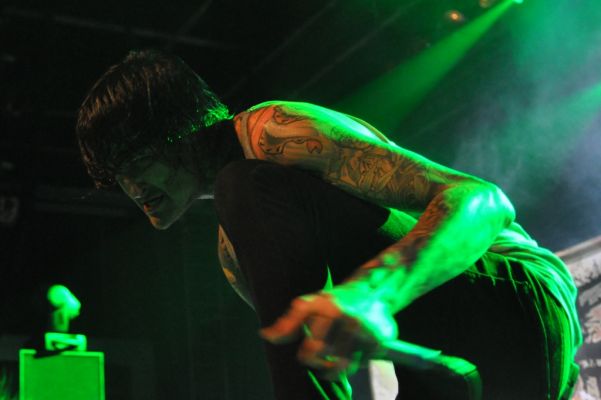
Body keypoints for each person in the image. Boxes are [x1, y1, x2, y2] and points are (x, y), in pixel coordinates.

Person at [76, 49, 581, 399]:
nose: (132, 188)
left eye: (137, 162)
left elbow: (484, 199)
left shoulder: (274, 134)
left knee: (243, 186)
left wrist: (373, 293)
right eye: (116, 177)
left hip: (518, 303)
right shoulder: (234, 254)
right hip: (460, 362)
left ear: (180, 131)